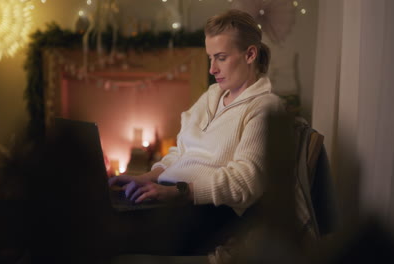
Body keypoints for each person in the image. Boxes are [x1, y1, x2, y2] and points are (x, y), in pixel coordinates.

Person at [105, 9, 285, 258]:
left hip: (206, 211)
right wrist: (148, 177)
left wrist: (179, 191)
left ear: (250, 54)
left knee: (108, 236)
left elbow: (245, 181)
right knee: (99, 214)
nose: (212, 69)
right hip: (170, 197)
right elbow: (180, 151)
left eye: (221, 58)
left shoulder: (264, 107)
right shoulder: (210, 97)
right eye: (210, 57)